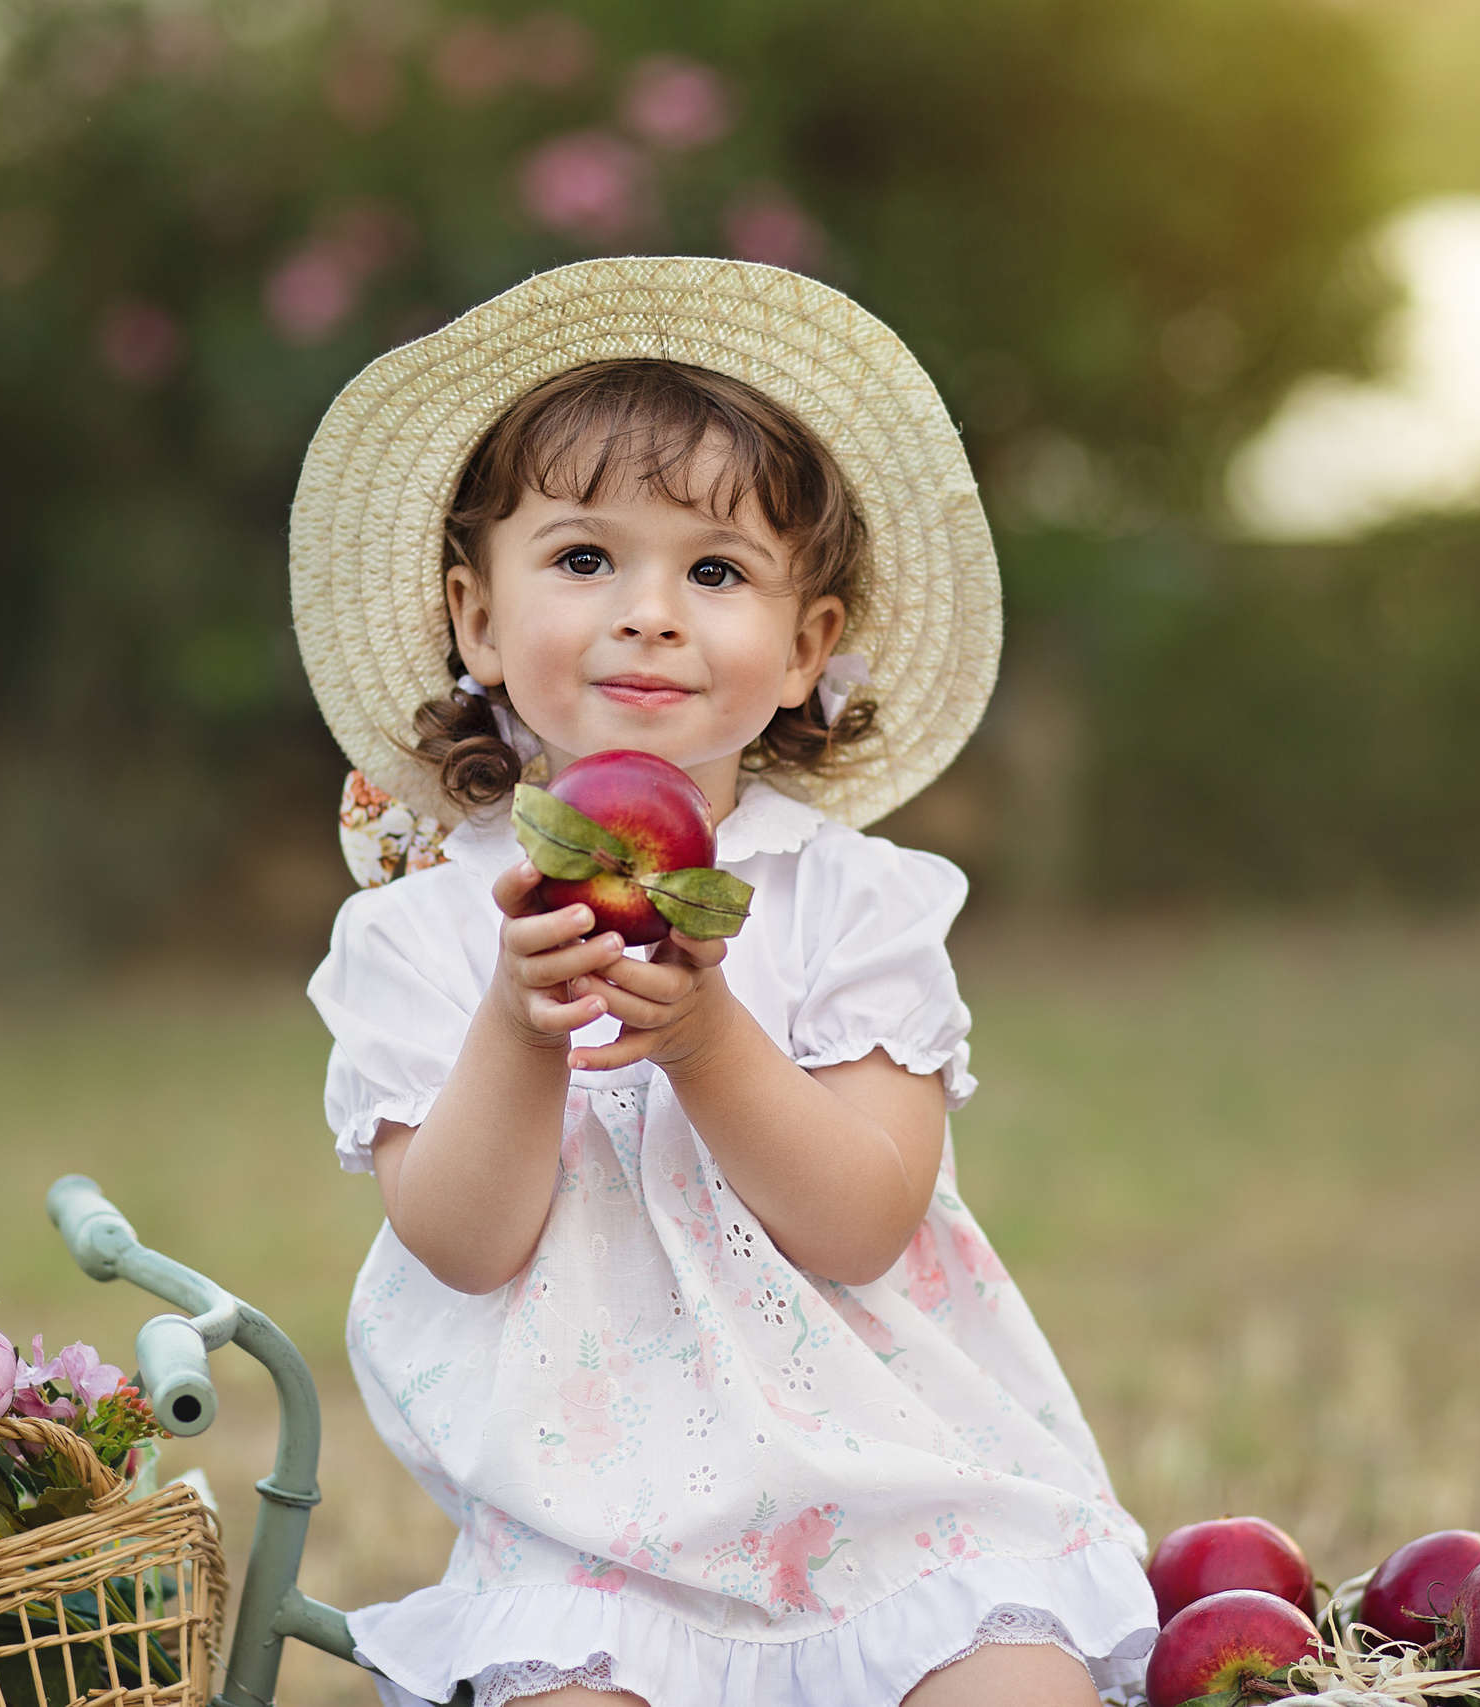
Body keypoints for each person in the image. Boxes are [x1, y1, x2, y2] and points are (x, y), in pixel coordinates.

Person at [293, 258, 1157, 1707]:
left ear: (808, 647)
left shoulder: (854, 902)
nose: (649, 612)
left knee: (1014, 1689)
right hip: (593, 1536)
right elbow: (461, 1244)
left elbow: (864, 1221)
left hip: (900, 1500)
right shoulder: (422, 935)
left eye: (714, 572)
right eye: (583, 560)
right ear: (476, 618)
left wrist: (706, 1036)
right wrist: (518, 1026)